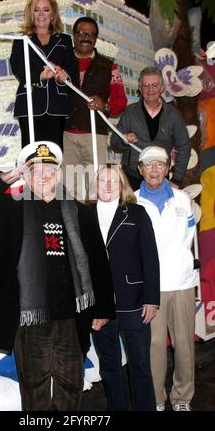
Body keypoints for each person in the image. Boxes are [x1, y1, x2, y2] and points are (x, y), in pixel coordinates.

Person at [0, 140, 115, 411]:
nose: (43, 176)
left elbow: (98, 262)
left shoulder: (80, 212)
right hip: (29, 319)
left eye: (49, 170)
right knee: (34, 389)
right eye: (35, 170)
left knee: (71, 385)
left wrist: (102, 308)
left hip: (71, 317)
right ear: (26, 176)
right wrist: (7, 177)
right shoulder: (12, 210)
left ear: (58, 174)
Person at [90, 164, 160, 410]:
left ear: (122, 186)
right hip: (100, 306)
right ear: (95, 184)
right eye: (102, 181)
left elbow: (150, 258)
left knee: (140, 365)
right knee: (109, 365)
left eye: (114, 181)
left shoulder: (137, 213)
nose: (108, 186)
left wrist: (152, 299)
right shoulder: (84, 214)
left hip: (134, 303)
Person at [136, 145, 197, 411]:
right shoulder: (132, 202)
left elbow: (189, 237)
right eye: (149, 165)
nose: (154, 169)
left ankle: (182, 397)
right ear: (140, 169)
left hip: (181, 283)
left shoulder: (182, 199)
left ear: (167, 169)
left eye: (160, 164)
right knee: (154, 345)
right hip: (150, 288)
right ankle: (157, 399)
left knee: (184, 344)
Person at [63, 16, 127, 200]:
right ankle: (73, 227)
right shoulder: (62, 62)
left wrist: (105, 105)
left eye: (91, 34)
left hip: (95, 134)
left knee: (95, 187)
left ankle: (93, 226)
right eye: (81, 33)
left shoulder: (110, 67)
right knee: (69, 187)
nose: (86, 37)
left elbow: (120, 102)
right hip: (66, 134)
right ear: (74, 36)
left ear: (96, 39)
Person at [10, 0, 77, 149]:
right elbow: (18, 68)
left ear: (53, 13)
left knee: (54, 154)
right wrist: (40, 76)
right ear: (30, 13)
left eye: (46, 9)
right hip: (29, 103)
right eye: (36, 9)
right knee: (30, 155)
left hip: (57, 104)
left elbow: (72, 69)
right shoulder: (21, 40)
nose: (41, 14)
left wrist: (63, 76)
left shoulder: (65, 40)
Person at [111, 66, 190, 190]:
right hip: (131, 177)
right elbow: (114, 143)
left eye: (154, 85)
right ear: (140, 88)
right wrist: (123, 140)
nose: (150, 89)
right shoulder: (130, 112)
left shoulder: (174, 115)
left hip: (160, 178)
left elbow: (184, 147)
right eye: (146, 85)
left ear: (162, 88)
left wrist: (177, 180)